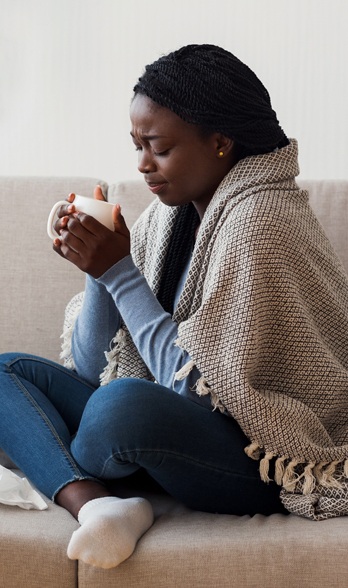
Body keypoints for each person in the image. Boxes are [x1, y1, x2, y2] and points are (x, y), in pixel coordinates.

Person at [1, 44, 348, 569]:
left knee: (118, 410)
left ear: (220, 143)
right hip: (166, 435)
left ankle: (49, 456)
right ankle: (97, 506)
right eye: (137, 145)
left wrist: (120, 273)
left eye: (158, 147)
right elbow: (97, 367)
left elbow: (201, 393)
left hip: (255, 458)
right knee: (8, 373)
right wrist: (101, 274)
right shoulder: (170, 217)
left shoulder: (262, 222)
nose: (142, 164)